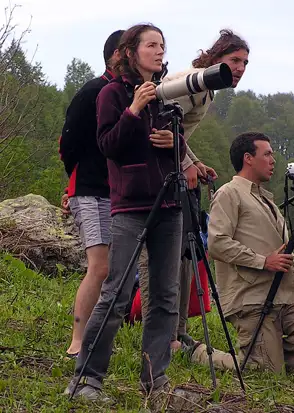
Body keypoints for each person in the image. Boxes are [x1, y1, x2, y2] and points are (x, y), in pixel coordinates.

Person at [65, 23, 186, 407]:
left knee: (165, 296)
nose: (159, 51)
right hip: (130, 205)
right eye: (151, 45)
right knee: (115, 293)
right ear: (131, 52)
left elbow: (177, 151)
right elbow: (108, 146)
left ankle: (156, 379)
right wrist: (134, 110)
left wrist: (175, 142)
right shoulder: (112, 95)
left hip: (168, 204)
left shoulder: (168, 97)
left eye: (163, 45)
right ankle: (86, 379)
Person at [136, 29, 250, 354]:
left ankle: (177, 331)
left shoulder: (207, 89)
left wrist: (195, 163)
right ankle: (161, 335)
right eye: (234, 60)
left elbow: (178, 132)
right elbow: (157, 122)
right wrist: (184, 163)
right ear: (216, 59)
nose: (240, 68)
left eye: (244, 62)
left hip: (168, 167)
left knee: (184, 252)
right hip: (152, 174)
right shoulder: (193, 83)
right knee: (161, 256)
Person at [205, 132, 294, 375]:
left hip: (284, 295)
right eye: (267, 154)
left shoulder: (266, 200)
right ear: (248, 158)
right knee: (266, 373)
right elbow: (217, 244)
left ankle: (267, 360)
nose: (272, 160)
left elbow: (275, 254)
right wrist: (262, 262)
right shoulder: (229, 194)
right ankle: (198, 352)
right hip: (252, 298)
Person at [57, 29, 124, 358]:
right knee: (99, 267)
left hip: (119, 193)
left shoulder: (131, 93)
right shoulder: (94, 91)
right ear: (117, 55)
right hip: (92, 190)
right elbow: (66, 144)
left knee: (113, 268)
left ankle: (98, 335)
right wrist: (75, 184)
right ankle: (78, 340)